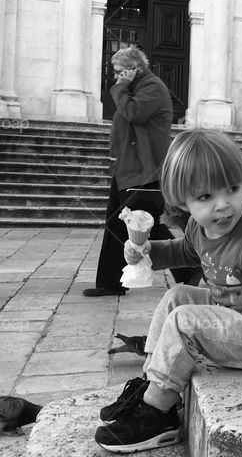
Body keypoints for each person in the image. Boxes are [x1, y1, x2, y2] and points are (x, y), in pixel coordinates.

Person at [95, 129, 242, 453]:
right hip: (231, 318)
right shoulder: (198, 226)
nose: (223, 206)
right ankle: (151, 382)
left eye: (232, 190)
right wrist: (147, 250)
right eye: (206, 197)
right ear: (185, 202)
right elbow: (186, 252)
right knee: (177, 295)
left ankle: (159, 411)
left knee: (184, 319)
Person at [84, 45, 199, 297]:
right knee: (117, 224)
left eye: (120, 72)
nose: (116, 77)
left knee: (145, 224)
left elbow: (134, 114)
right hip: (128, 167)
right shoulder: (134, 88)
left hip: (146, 169)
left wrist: (118, 89)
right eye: (115, 74)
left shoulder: (152, 88)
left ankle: (190, 268)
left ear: (134, 69)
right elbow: (123, 125)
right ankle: (110, 283)